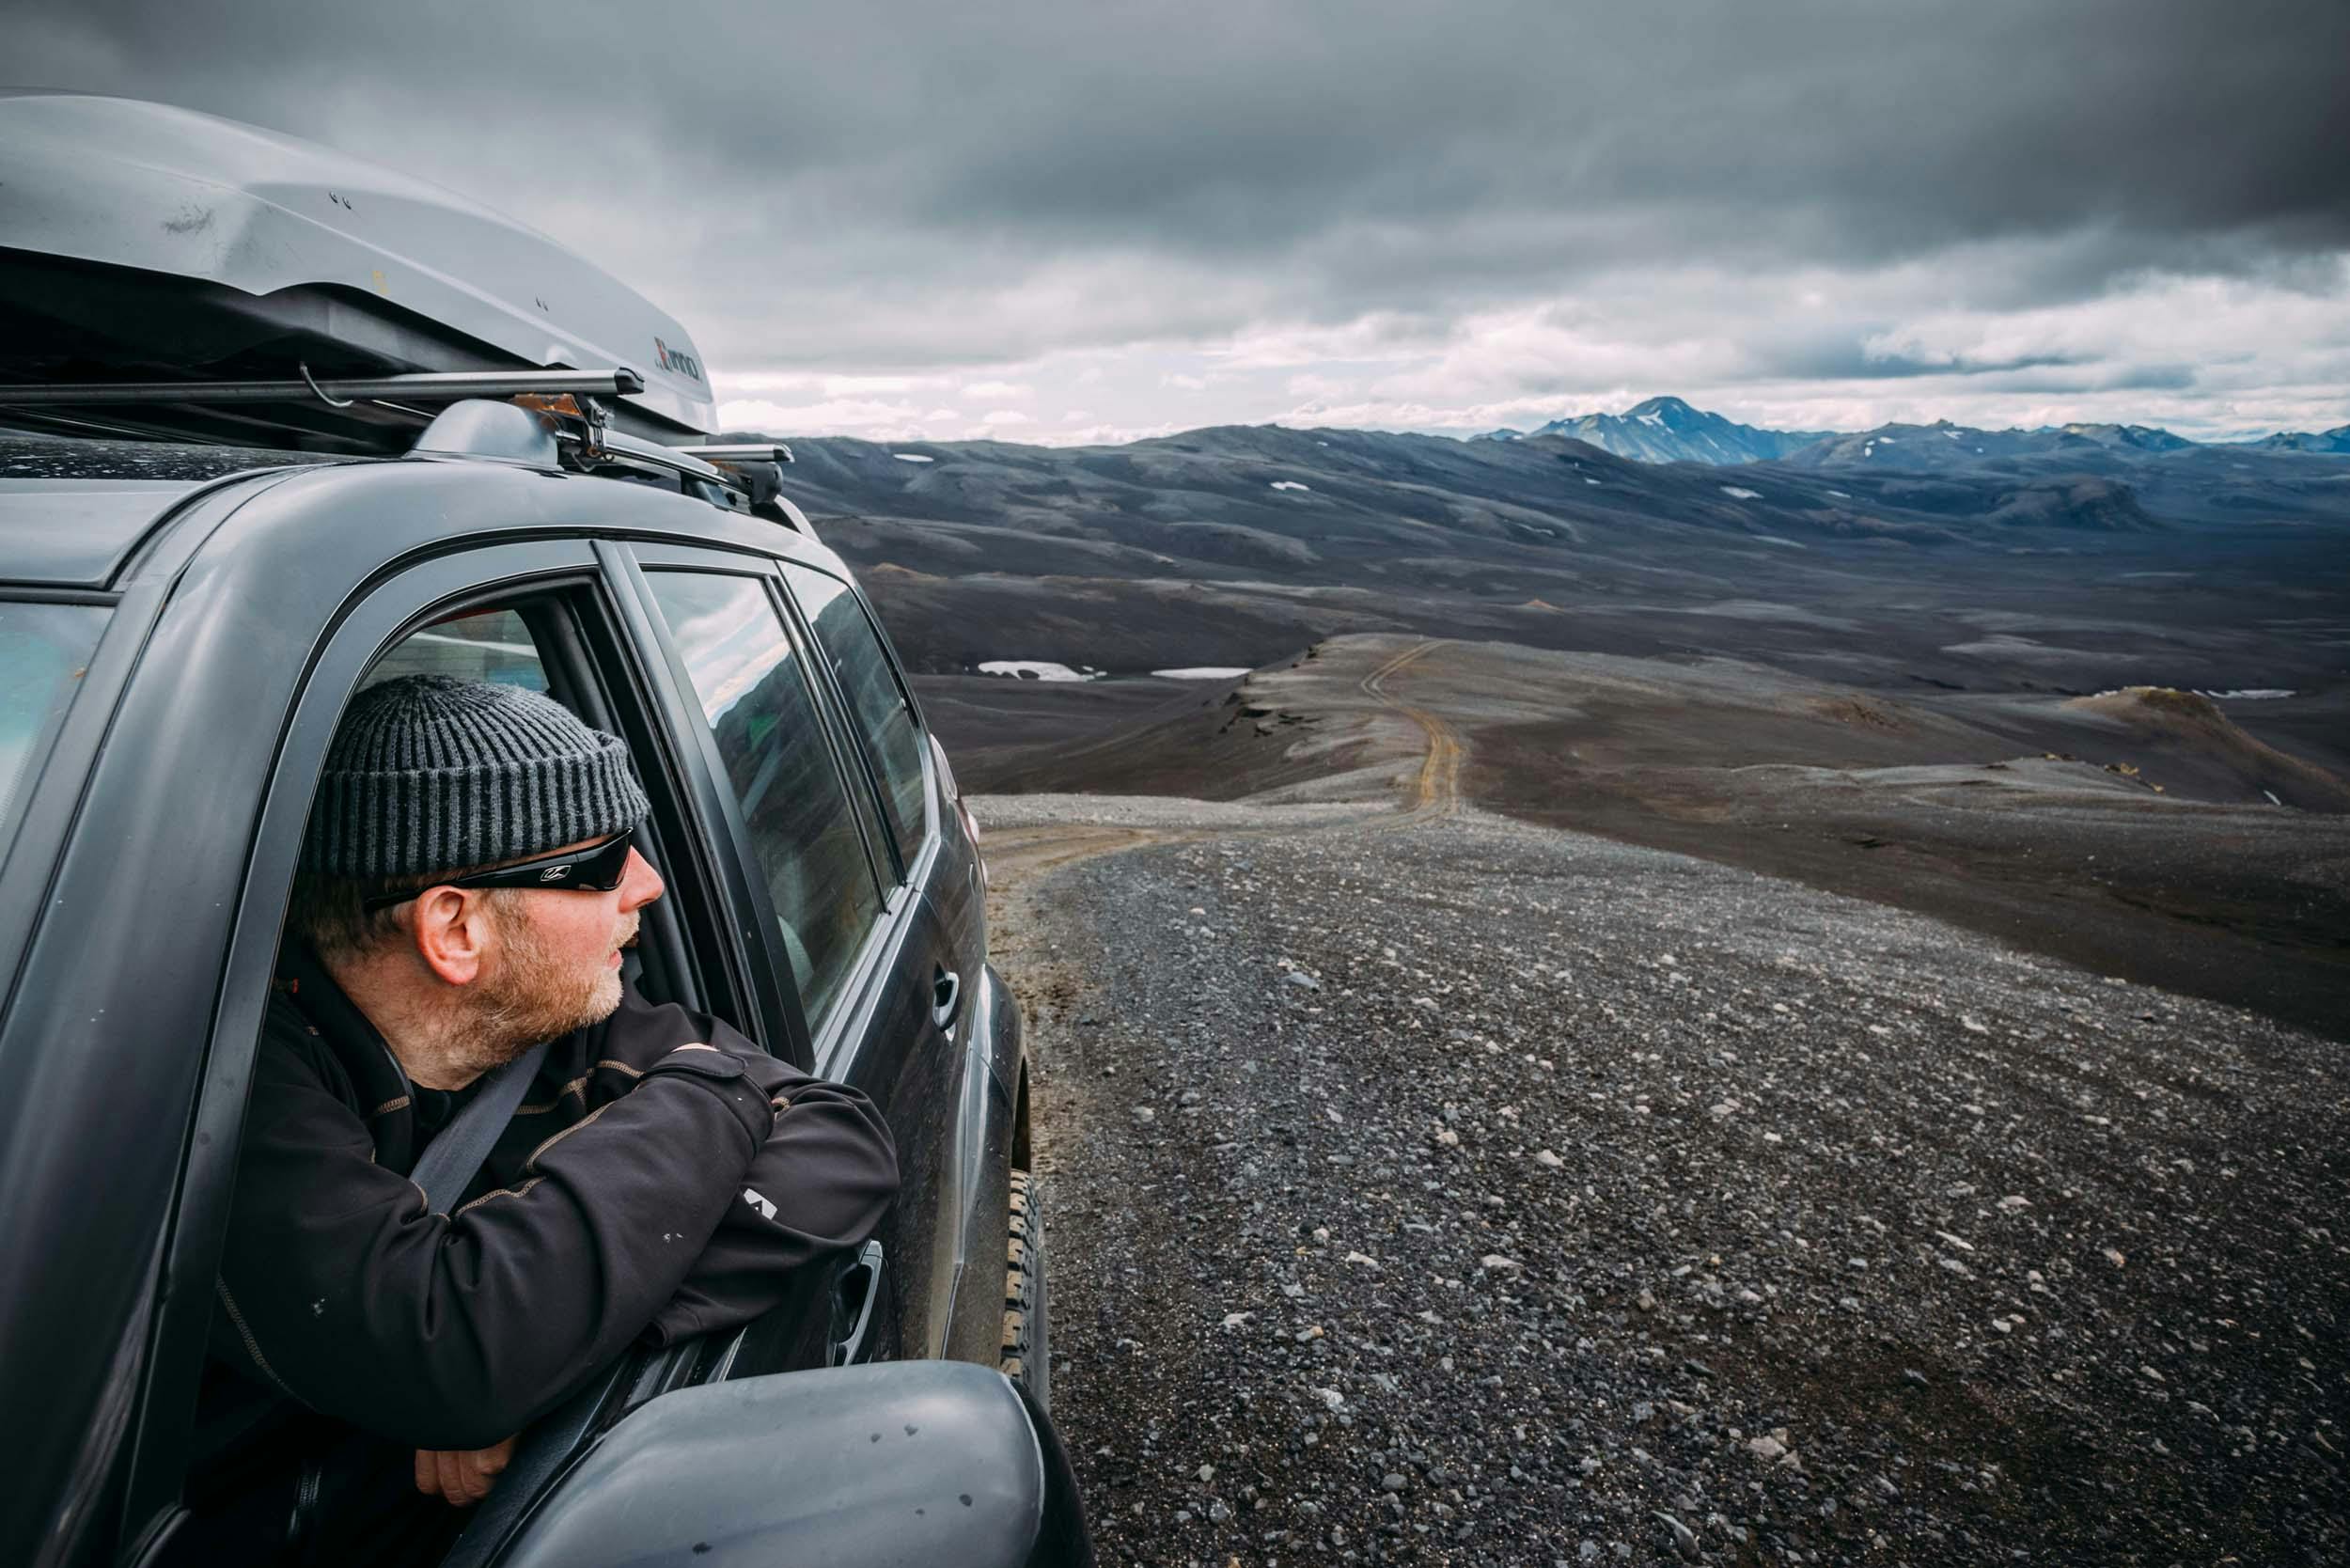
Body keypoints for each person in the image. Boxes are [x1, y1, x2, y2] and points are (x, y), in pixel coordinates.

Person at [196, 674, 900, 1563]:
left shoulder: (570, 1021)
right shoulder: (227, 1100)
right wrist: (712, 1095)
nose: (646, 886)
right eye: (604, 860)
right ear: (455, 929)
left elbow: (843, 1138)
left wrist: (564, 1345)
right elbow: (448, 1351)